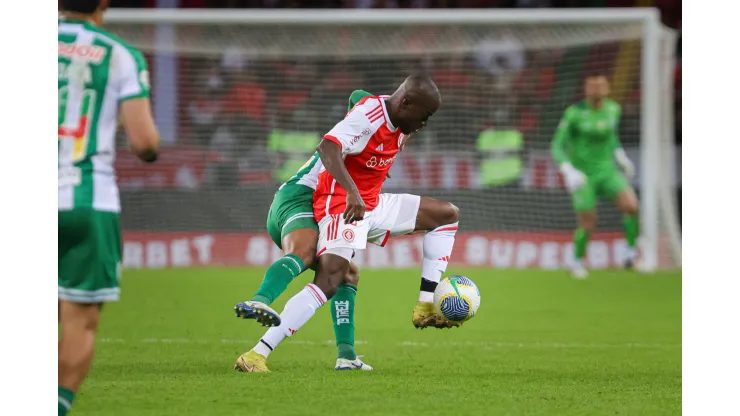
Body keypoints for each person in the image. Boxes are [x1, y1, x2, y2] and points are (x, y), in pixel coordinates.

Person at [234, 74, 460, 373]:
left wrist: (371, 160)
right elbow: (328, 147)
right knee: (323, 271)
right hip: (327, 198)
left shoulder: (392, 118)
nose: (425, 123)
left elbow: (357, 95)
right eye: (425, 116)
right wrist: (353, 190)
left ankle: (417, 310)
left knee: (444, 216)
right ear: (406, 103)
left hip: (369, 201)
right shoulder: (368, 117)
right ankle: (256, 346)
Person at [58, 1, 160, 415]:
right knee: (79, 322)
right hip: (86, 199)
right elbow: (145, 143)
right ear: (103, 5)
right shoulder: (119, 54)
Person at [551, 74, 639, 279]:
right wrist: (568, 170)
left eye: (602, 86)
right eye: (594, 86)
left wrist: (620, 156)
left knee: (632, 206)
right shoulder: (574, 114)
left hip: (607, 171)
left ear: (608, 89)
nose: (598, 90)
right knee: (588, 223)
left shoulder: (613, 109)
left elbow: (612, 137)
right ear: (587, 89)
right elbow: (556, 145)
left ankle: (630, 255)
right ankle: (577, 262)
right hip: (583, 175)